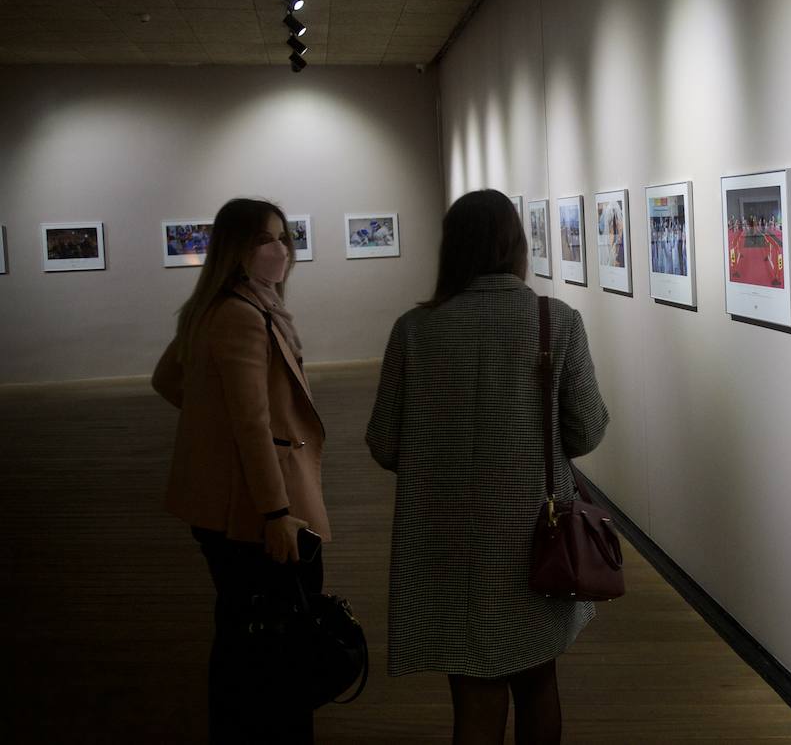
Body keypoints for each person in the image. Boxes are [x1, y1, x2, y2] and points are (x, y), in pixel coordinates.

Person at [366, 189, 610, 745]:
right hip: (535, 531)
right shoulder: (556, 321)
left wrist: (439, 458)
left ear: (451, 249)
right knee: (538, 678)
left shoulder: (414, 329)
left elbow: (383, 442)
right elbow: (587, 430)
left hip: (444, 535)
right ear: (516, 246)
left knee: (473, 685)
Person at [151, 197, 328, 744]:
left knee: (240, 626)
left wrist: (212, 424)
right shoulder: (242, 316)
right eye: (264, 240)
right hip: (253, 506)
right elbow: (251, 425)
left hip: (230, 498)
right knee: (272, 633)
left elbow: (168, 379)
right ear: (236, 248)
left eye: (283, 237)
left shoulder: (220, 306)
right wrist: (276, 513)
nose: (280, 250)